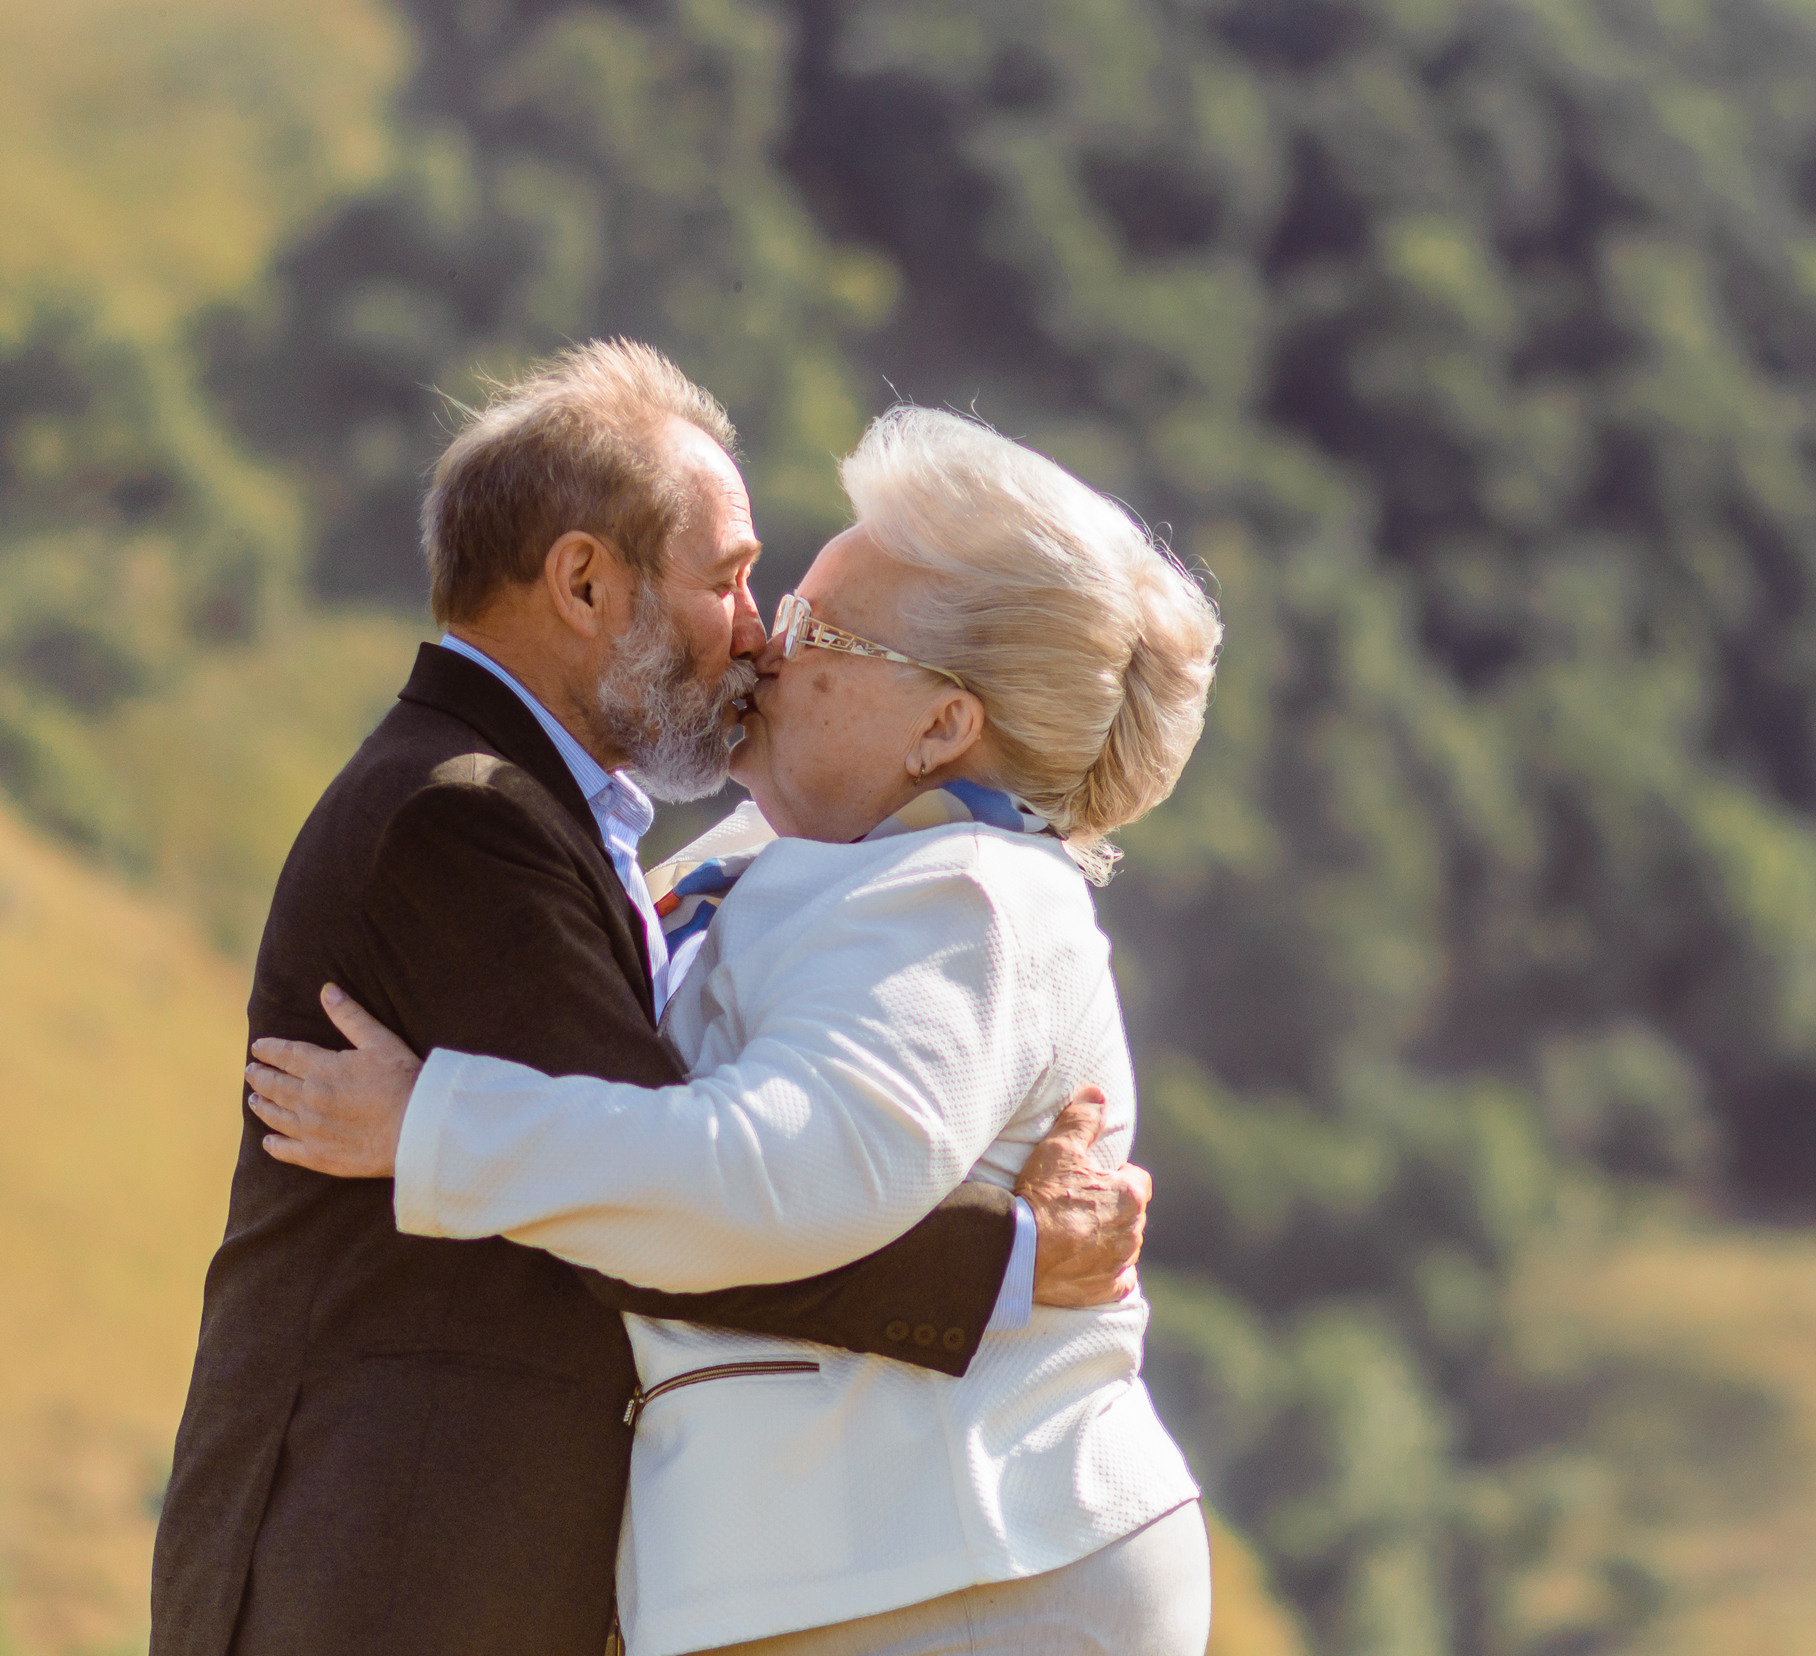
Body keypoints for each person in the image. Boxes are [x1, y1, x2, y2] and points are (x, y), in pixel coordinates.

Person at [152, 346, 1150, 1656]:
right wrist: (1014, 1255)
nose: (754, 632)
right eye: (729, 579)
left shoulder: (555, 819)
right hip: (382, 1569)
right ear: (584, 584)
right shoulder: (462, 821)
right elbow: (668, 1207)